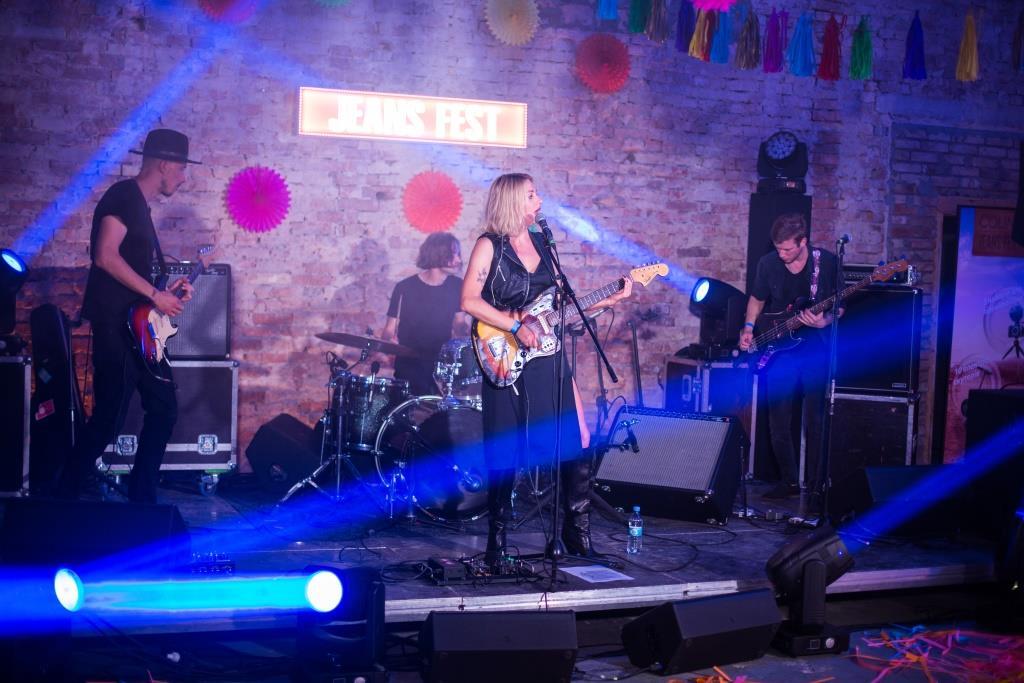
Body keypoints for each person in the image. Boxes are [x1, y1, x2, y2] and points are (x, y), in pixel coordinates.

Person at [460, 173, 632, 563]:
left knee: (576, 438)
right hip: (504, 355)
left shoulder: (542, 243)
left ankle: (576, 534)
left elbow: (557, 313)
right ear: (512, 201)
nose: (539, 200)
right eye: (531, 195)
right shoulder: (489, 245)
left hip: (548, 357)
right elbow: (469, 300)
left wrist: (605, 302)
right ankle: (497, 541)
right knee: (505, 449)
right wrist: (515, 327)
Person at [58, 129, 198, 504]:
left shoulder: (140, 207)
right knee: (110, 415)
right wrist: (155, 295)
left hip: (139, 328)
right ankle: (64, 493)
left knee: (163, 408)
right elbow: (105, 255)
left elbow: (131, 273)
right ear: (164, 164)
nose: (184, 177)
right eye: (181, 168)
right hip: (117, 326)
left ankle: (142, 498)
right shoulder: (123, 196)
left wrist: (166, 290)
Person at [739, 213, 840, 501]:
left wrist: (825, 321)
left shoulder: (827, 263)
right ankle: (789, 481)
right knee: (778, 420)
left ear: (803, 241)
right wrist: (749, 327)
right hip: (779, 348)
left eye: (786, 249)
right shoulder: (768, 263)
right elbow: (757, 298)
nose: (781, 254)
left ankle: (817, 486)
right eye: (778, 248)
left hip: (815, 349)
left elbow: (841, 305)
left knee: (815, 419)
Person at [380, 232, 466, 396]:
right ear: (437, 254)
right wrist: (386, 344)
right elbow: (389, 329)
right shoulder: (405, 288)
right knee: (407, 407)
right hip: (409, 365)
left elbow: (459, 322)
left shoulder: (457, 286)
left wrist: (470, 331)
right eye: (453, 254)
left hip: (441, 364)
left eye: (458, 254)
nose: (459, 260)